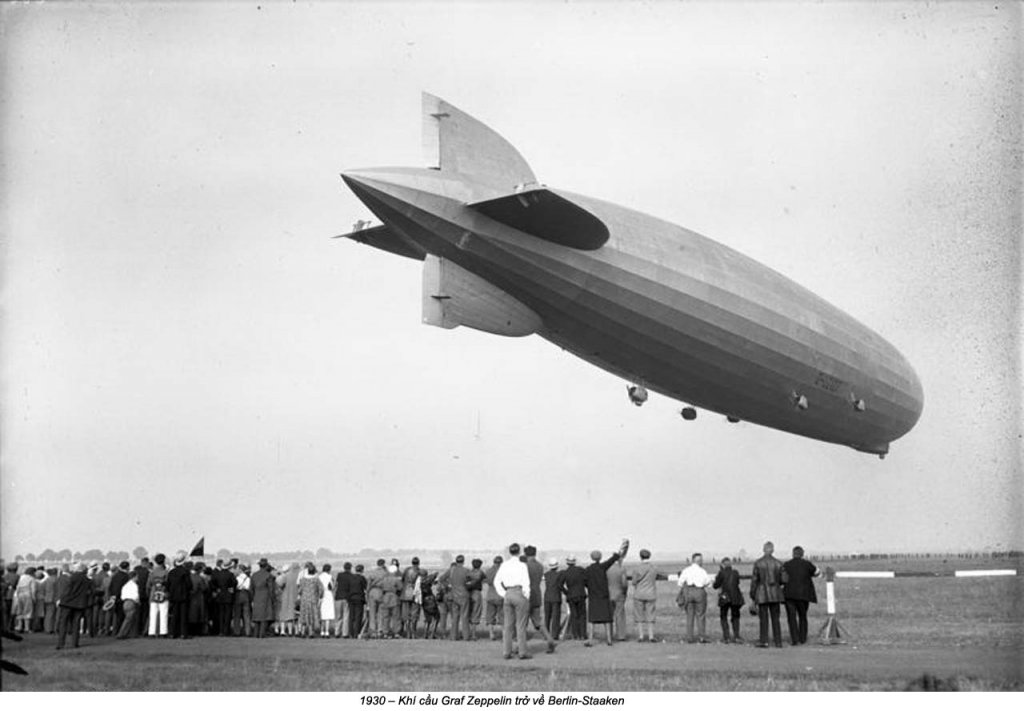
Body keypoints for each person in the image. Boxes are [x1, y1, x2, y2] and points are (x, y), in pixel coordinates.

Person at [583, 540, 629, 647]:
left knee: (592, 620)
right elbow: (613, 559)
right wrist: (618, 553)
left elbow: (585, 581)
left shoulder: (588, 570)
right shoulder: (603, 567)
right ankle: (609, 639)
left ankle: (590, 639)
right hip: (603, 595)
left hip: (593, 596)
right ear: (600, 557)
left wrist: (590, 588)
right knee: (607, 619)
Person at [494, 543, 535, 659]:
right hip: (519, 592)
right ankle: (522, 651)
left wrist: (503, 593)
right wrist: (526, 596)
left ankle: (506, 651)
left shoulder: (504, 565)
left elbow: (497, 581)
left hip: (508, 593)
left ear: (509, 552)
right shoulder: (522, 566)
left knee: (508, 625)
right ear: (519, 552)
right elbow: (526, 583)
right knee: (520, 625)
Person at [750, 541, 785, 648]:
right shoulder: (779, 563)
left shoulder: (758, 563)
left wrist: (753, 595)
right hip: (775, 594)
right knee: (776, 619)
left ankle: (764, 640)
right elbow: (784, 579)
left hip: (762, 594)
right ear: (773, 550)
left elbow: (754, 580)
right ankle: (778, 641)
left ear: (763, 549)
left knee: (763, 619)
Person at [782, 546, 818, 645]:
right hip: (803, 595)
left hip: (789, 595)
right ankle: (802, 638)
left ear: (793, 554)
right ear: (802, 554)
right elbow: (817, 572)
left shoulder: (786, 564)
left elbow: (782, 577)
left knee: (791, 617)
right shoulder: (807, 564)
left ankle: (794, 639)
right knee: (803, 616)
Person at [522, 546, 556, 650]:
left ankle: (522, 645)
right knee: (538, 621)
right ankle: (549, 639)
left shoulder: (524, 566)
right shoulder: (540, 566)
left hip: (526, 595)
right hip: (537, 594)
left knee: (522, 622)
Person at [677, 552, 712, 644]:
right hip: (699, 591)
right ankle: (701, 637)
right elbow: (708, 583)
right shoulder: (702, 571)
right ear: (699, 561)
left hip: (689, 591)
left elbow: (680, 583)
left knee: (690, 615)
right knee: (700, 615)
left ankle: (690, 637)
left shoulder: (686, 570)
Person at [56, 562, 92, 649]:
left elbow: (67, 590)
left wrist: (61, 599)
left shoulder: (71, 577)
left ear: (77, 568)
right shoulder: (87, 580)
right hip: (79, 603)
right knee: (76, 623)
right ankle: (75, 643)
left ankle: (61, 643)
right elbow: (90, 591)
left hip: (67, 602)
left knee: (63, 623)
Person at [630, 549, 661, 643]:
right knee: (650, 616)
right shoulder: (654, 568)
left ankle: (641, 635)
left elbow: (634, 582)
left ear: (640, 556)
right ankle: (651, 636)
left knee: (639, 616)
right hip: (650, 594)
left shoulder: (637, 568)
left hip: (639, 594)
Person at [712, 557, 744, 643]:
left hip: (724, 597)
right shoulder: (735, 572)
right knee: (735, 616)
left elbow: (715, 585)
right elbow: (737, 582)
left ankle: (726, 637)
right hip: (736, 597)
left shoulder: (721, 573)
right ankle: (736, 636)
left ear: (722, 565)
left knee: (723, 616)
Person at [166, 551, 192, 639]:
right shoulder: (186, 572)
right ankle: (183, 633)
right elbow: (189, 584)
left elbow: (168, 585)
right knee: (183, 616)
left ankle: (172, 633)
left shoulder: (171, 572)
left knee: (174, 615)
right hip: (184, 596)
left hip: (174, 596)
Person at [444, 555, 470, 641]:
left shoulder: (451, 570)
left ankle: (453, 636)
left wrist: (448, 586)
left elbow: (441, 579)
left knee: (455, 617)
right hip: (464, 595)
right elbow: (471, 581)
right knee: (465, 616)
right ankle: (466, 636)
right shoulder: (466, 571)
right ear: (463, 561)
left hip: (454, 595)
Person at [562, 556, 587, 641]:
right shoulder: (581, 570)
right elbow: (586, 579)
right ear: (575, 562)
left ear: (567, 563)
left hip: (571, 595)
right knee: (582, 615)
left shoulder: (565, 572)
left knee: (574, 615)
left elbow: (559, 585)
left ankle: (575, 634)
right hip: (581, 594)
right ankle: (583, 634)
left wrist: (566, 592)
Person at [250, 558, 276, 639]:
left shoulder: (254, 575)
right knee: (264, 617)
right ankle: (262, 634)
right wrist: (273, 599)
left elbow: (251, 589)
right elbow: (271, 589)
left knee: (257, 617)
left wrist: (252, 598)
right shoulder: (269, 576)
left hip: (256, 597)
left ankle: (256, 634)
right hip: (266, 597)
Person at [210, 559, 236, 637]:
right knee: (227, 614)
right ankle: (226, 630)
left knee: (221, 614)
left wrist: (216, 588)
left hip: (220, 594)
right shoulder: (230, 574)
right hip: (228, 595)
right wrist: (230, 587)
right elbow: (234, 583)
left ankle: (220, 630)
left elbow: (212, 582)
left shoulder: (218, 574)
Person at [296, 562, 323, 638]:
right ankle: (311, 632)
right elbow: (321, 590)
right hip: (313, 599)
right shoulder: (316, 579)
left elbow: (300, 590)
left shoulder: (303, 580)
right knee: (311, 616)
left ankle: (303, 632)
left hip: (304, 599)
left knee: (303, 616)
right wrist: (320, 597)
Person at [606, 555, 629, 641]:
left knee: (609, 616)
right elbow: (624, 583)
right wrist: (625, 592)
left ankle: (609, 634)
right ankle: (621, 635)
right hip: (619, 593)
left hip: (609, 593)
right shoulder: (621, 569)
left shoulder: (607, 569)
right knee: (620, 614)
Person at [542, 558, 565, 640]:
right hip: (556, 597)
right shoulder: (560, 574)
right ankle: (554, 635)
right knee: (555, 617)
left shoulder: (546, 574)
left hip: (547, 597)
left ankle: (546, 634)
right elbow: (560, 585)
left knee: (547, 617)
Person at [147, 553, 169, 637]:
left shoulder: (152, 572)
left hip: (153, 594)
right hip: (163, 594)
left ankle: (151, 632)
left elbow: (148, 585)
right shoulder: (166, 572)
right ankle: (163, 632)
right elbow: (168, 584)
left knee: (153, 615)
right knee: (163, 614)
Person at [365, 559, 387, 639]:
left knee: (372, 613)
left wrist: (367, 595)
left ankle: (373, 630)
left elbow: (368, 585)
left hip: (372, 592)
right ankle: (380, 630)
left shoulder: (372, 573)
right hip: (381, 592)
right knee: (381, 613)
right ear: (383, 564)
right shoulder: (385, 573)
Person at [379, 564, 403, 639]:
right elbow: (401, 587)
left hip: (385, 597)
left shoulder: (384, 579)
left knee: (385, 616)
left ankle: (385, 633)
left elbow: (380, 586)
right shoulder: (396, 579)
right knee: (396, 616)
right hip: (394, 597)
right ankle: (396, 633)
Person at [483, 556, 503, 641]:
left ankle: (491, 634)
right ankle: (504, 634)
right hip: (500, 596)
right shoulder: (503, 571)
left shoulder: (488, 571)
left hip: (490, 595)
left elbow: (486, 581)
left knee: (490, 616)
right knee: (502, 616)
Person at [276, 563, 299, 636]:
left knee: (284, 614)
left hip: (285, 596)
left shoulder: (285, 576)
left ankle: (283, 631)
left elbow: (279, 583)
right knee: (295, 616)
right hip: (296, 597)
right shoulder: (299, 576)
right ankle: (295, 631)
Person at [465, 558, 486, 641]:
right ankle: (473, 634)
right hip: (477, 593)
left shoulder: (468, 573)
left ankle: (467, 633)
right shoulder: (480, 572)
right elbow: (485, 579)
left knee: (468, 613)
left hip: (468, 593)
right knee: (476, 613)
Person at [117, 570, 141, 639]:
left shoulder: (125, 585)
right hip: (131, 602)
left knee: (130, 618)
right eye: (137, 577)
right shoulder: (134, 585)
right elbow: (136, 595)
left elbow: (122, 596)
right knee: (129, 619)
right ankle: (121, 634)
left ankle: (131, 634)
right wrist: (138, 602)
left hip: (125, 602)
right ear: (134, 577)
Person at [334, 562, 355, 638]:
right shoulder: (352, 576)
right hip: (346, 597)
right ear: (350, 568)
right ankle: (345, 633)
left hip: (338, 597)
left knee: (338, 616)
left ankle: (337, 632)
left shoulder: (339, 575)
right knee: (346, 616)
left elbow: (336, 585)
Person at [188, 562, 209, 636]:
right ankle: (198, 631)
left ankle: (190, 631)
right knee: (199, 615)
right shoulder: (199, 578)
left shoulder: (189, 576)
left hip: (190, 598)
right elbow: (204, 588)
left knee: (191, 614)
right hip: (199, 598)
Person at [348, 564, 367, 639]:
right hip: (359, 599)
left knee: (351, 616)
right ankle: (356, 633)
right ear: (362, 570)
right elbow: (366, 588)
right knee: (358, 616)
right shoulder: (362, 578)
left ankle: (351, 633)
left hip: (351, 598)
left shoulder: (350, 578)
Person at [233, 563, 252, 637]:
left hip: (238, 594)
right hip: (246, 594)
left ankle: (237, 631)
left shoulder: (237, 578)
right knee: (246, 614)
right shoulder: (248, 578)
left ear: (240, 570)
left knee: (237, 614)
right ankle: (248, 631)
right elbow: (248, 587)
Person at [318, 563, 335, 638]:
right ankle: (327, 632)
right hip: (328, 594)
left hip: (321, 595)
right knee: (327, 615)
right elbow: (332, 587)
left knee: (322, 614)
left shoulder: (319, 577)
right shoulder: (330, 577)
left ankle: (321, 631)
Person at [41, 567, 59, 634]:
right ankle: (53, 628)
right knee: (54, 615)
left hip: (47, 598)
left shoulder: (47, 580)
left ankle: (47, 628)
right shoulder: (56, 579)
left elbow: (42, 589)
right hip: (54, 598)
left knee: (48, 614)